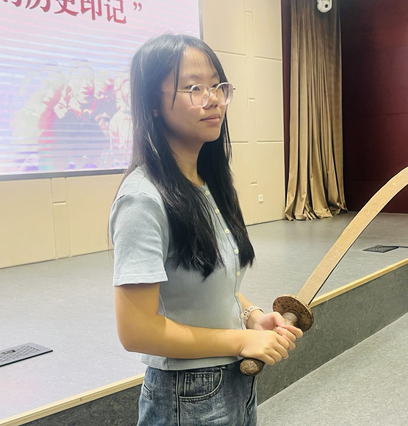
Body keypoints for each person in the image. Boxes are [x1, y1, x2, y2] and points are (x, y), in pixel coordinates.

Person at [109, 33, 303, 426]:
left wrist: (250, 316)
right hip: (186, 392)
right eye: (194, 87)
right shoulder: (143, 199)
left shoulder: (206, 181)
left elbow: (210, 272)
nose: (212, 98)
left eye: (217, 85)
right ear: (152, 103)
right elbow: (136, 330)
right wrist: (242, 340)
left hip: (230, 378)